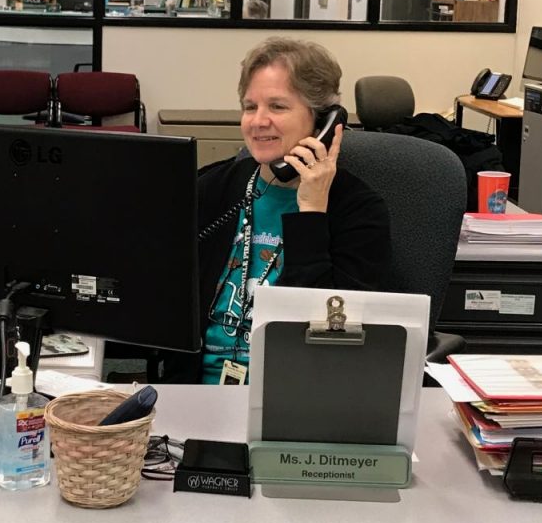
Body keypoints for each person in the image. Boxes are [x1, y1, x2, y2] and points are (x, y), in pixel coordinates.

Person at [165, 36, 391, 384]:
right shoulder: (212, 188)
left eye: (278, 107)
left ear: (323, 122)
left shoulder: (359, 211)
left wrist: (312, 213)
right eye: (249, 106)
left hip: (297, 397)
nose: (258, 121)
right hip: (196, 393)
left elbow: (332, 341)